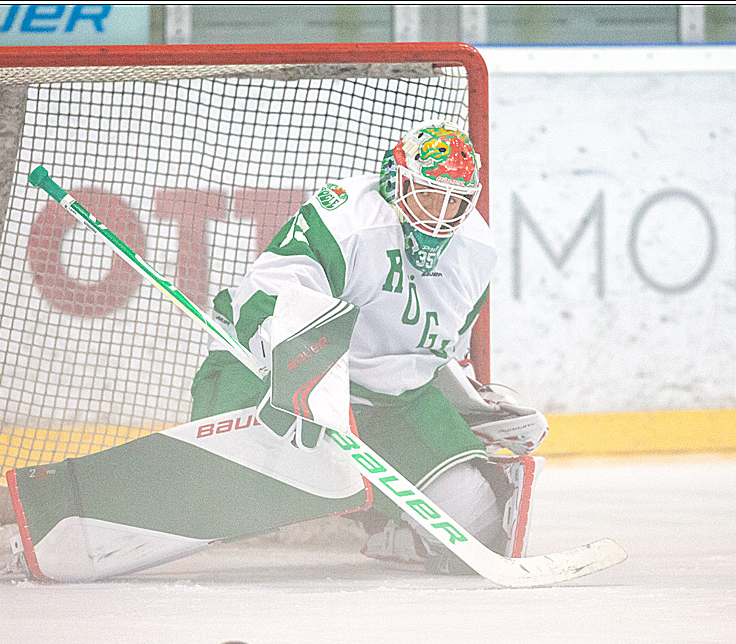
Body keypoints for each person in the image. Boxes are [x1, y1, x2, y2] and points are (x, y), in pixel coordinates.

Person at [190, 120, 548, 574]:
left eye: (455, 200)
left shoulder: (477, 250)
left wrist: (470, 400)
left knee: (475, 525)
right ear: (395, 182)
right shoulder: (346, 219)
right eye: (429, 194)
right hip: (282, 373)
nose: (441, 214)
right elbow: (263, 299)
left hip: (394, 403)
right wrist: (300, 374)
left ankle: (389, 530)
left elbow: (444, 352)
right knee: (226, 499)